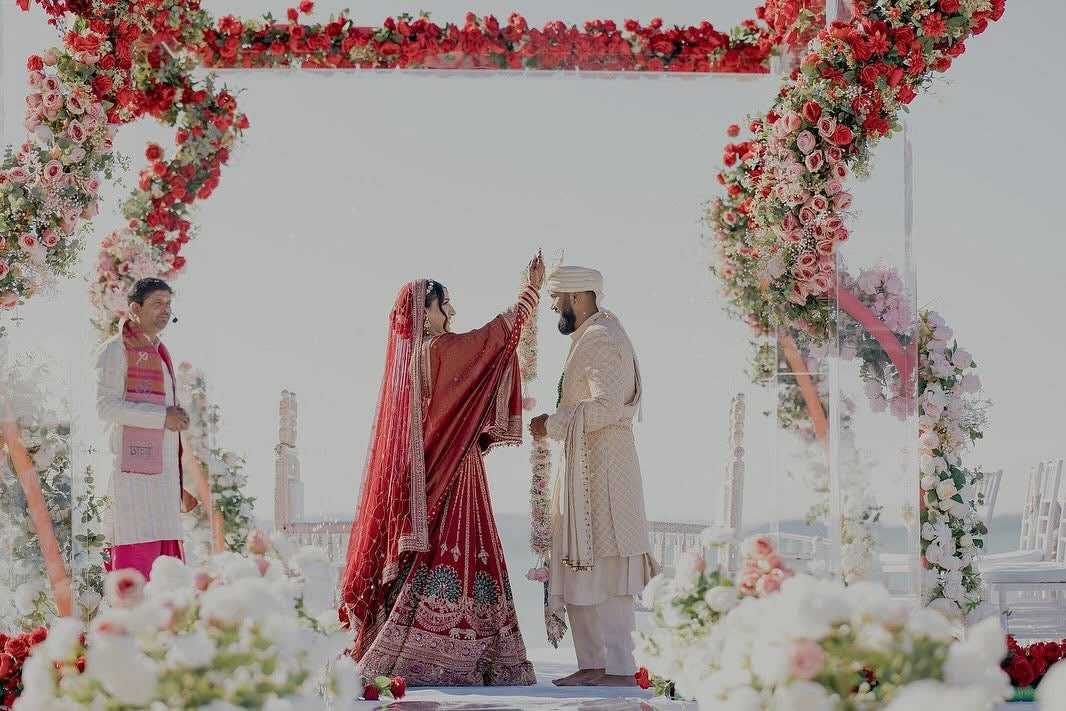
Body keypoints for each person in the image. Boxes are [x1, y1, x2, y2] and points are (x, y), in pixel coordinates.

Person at [339, 253, 544, 686]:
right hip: (453, 472)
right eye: (443, 303)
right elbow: (490, 342)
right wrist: (528, 293)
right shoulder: (436, 351)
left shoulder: (415, 359)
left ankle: (417, 648)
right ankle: (451, 653)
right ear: (422, 312)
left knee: (439, 557)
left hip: (438, 471)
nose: (451, 311)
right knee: (459, 554)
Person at [529, 265, 659, 687]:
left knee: (605, 564)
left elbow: (605, 407)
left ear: (579, 296)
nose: (554, 307)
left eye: (557, 299)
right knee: (583, 562)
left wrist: (551, 423)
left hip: (603, 471)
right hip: (587, 467)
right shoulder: (596, 333)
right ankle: (593, 664)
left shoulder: (602, 337)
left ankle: (618, 668)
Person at [95, 277, 197, 581]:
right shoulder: (115, 351)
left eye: (168, 304)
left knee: (168, 582)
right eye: (157, 303)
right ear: (134, 309)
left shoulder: (161, 354)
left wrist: (182, 480)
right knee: (137, 574)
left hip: (163, 483)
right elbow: (106, 407)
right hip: (134, 483)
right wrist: (161, 417)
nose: (165, 310)